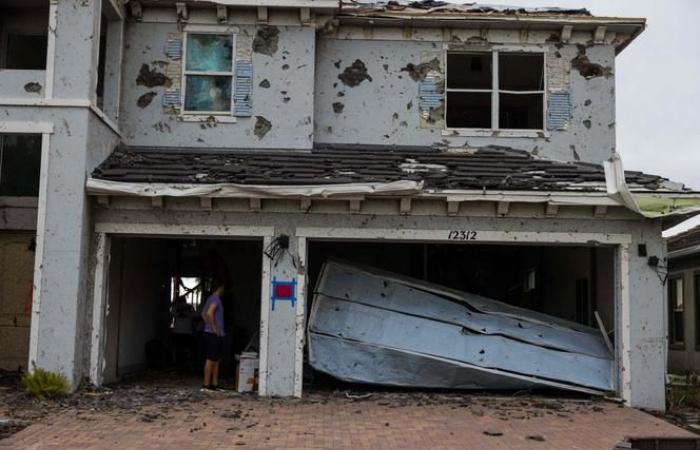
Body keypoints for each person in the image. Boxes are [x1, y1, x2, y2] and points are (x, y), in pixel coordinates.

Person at [201, 282, 226, 391]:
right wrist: (213, 327)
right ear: (220, 287)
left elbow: (203, 313)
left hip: (211, 332)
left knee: (216, 359)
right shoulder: (216, 299)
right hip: (213, 333)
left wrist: (208, 324)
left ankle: (214, 383)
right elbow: (209, 313)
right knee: (211, 358)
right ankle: (206, 384)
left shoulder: (210, 298)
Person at [171, 295, 195, 370]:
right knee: (186, 348)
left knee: (178, 349)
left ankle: (177, 364)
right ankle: (185, 364)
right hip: (187, 331)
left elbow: (173, 314)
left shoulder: (175, 307)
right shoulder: (190, 307)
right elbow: (194, 315)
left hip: (178, 330)